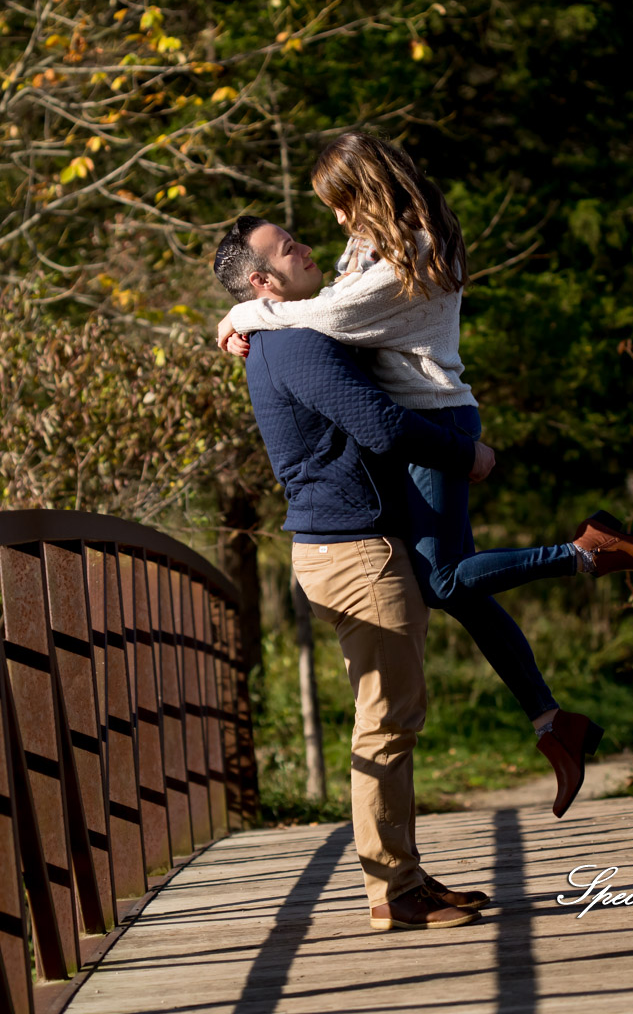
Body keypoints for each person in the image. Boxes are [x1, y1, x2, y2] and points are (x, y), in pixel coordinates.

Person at [213, 133, 633, 817]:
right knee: (455, 585)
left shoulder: (417, 252)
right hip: (425, 426)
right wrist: (253, 309)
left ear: (366, 190)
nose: (334, 223)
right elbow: (329, 306)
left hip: (435, 425)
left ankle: (584, 554)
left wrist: (243, 312)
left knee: (442, 580)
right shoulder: (374, 247)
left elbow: (331, 316)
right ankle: (552, 723)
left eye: (340, 205)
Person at [213, 215, 494, 931]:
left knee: (392, 713)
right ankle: (392, 894)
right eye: (287, 249)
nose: (304, 247)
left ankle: (406, 876)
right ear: (262, 281)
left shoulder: (290, 332)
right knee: (387, 719)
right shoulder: (296, 344)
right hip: (354, 551)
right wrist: (469, 457)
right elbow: (382, 425)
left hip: (351, 545)